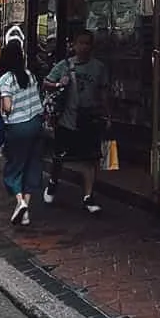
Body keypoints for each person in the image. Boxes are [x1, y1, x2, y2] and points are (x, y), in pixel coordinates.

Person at [43, 31, 110, 214]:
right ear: (74, 45)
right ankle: (53, 182)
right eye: (81, 43)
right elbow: (46, 83)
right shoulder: (64, 66)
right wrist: (58, 84)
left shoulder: (99, 68)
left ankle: (88, 196)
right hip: (67, 119)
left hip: (89, 118)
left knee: (90, 159)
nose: (84, 47)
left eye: (88, 43)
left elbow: (103, 93)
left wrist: (106, 115)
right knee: (60, 157)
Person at [0, 39, 43, 227]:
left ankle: (19, 201)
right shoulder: (29, 75)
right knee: (32, 165)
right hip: (36, 123)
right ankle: (25, 213)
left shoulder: (6, 79)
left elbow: (7, 107)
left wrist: (1, 105)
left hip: (17, 126)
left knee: (14, 167)